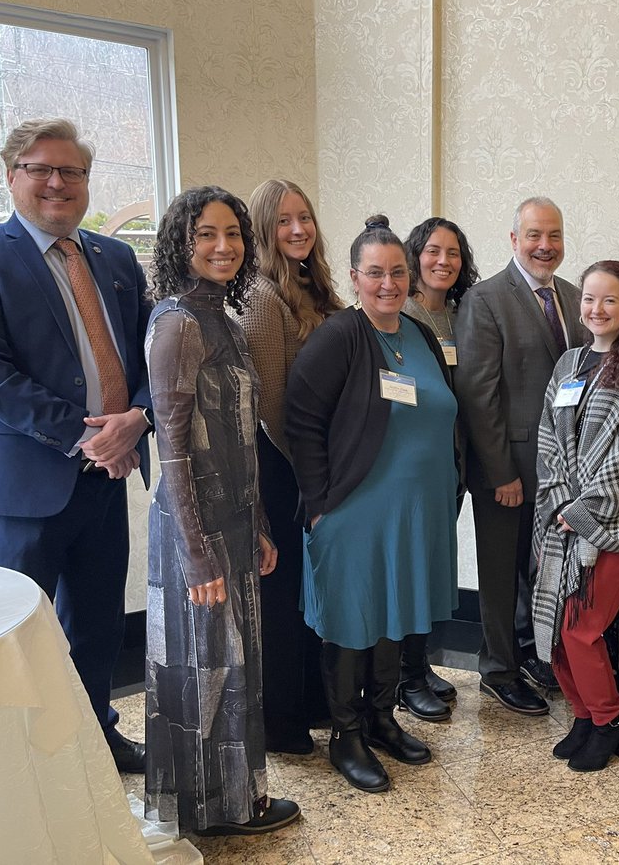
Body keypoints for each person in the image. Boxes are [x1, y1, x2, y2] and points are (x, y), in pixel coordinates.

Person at [0, 117, 151, 773]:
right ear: (12, 176)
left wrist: (137, 418)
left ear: (87, 183)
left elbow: (148, 353)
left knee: (98, 625)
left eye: (73, 172)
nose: (57, 183)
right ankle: (28, 763)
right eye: (40, 169)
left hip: (107, 475)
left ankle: (95, 739)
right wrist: (91, 439)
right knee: (24, 630)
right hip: (28, 480)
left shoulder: (113, 259)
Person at [143, 185, 300, 835]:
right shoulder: (177, 322)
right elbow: (173, 449)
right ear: (181, 241)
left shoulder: (226, 322)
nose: (223, 246)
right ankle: (205, 809)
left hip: (235, 520)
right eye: (206, 233)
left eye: (233, 234)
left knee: (237, 666)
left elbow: (241, 436)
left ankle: (237, 798)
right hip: (194, 528)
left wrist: (259, 523)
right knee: (203, 666)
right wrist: (197, 548)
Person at [286, 215, 458, 793]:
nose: (388, 283)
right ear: (355, 278)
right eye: (375, 273)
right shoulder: (340, 336)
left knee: (395, 614)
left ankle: (383, 718)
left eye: (397, 272)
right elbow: (302, 422)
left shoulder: (421, 334)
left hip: (415, 512)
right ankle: (346, 734)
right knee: (354, 619)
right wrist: (319, 504)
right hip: (355, 510)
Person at [456, 196, 588, 714]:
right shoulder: (485, 300)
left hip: (561, 469)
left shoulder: (575, 297)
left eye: (553, 235)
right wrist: (499, 472)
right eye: (534, 235)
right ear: (514, 240)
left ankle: (533, 655)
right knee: (498, 570)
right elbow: (477, 392)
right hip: (507, 466)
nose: (545, 246)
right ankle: (497, 669)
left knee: (543, 567)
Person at [533, 260, 619, 772]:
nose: (597, 309)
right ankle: (586, 718)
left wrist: (583, 509)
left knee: (580, 630)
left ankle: (610, 719)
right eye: (589, 298)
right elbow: (549, 436)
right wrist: (561, 500)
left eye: (610, 300)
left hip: (615, 526)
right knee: (558, 630)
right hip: (562, 520)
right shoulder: (568, 363)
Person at [238, 179, 344, 754]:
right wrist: (312, 471)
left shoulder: (311, 284)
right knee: (280, 602)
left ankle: (309, 700)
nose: (299, 229)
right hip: (282, 469)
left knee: (308, 594)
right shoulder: (261, 296)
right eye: (283, 221)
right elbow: (269, 403)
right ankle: (280, 723)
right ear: (262, 230)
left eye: (304, 217)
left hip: (314, 467)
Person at [393, 215, 480, 721]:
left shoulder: (463, 315)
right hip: (410, 467)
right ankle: (405, 677)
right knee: (410, 568)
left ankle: (420, 663)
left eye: (453, 252)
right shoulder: (397, 314)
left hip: (453, 462)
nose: (443, 261)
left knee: (433, 566)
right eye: (432, 251)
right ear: (414, 256)